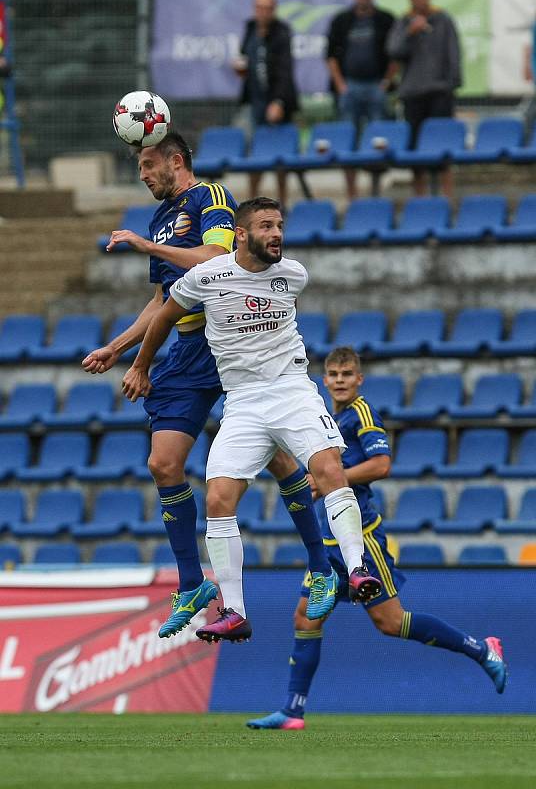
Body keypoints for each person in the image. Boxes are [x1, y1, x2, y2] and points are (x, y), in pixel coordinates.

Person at [82, 135, 334, 638]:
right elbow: (167, 299)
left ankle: (321, 567)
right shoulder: (160, 219)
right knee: (163, 463)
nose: (143, 174)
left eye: (149, 163)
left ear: (176, 161)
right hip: (189, 348)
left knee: (282, 457)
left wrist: (146, 245)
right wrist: (120, 348)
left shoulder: (211, 199)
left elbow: (212, 262)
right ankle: (194, 583)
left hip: (238, 342)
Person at [121, 197, 383, 643]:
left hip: (292, 392)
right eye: (266, 226)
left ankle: (355, 570)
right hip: (242, 402)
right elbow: (165, 316)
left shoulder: (293, 274)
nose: (277, 233)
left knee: (328, 468)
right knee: (219, 498)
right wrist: (141, 364)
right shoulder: (206, 277)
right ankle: (235, 611)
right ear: (241, 234)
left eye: (279, 225)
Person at [246, 347, 508, 730]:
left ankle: (482, 650)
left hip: (361, 538)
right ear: (324, 379)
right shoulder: (326, 417)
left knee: (391, 622)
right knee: (304, 617)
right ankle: (292, 710)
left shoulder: (362, 415)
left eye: (346, 374)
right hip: (328, 541)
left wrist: (327, 479)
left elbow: (382, 464)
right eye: (333, 373)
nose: (338, 380)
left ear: (359, 379)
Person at [387, 0, 461, 197]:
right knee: (416, 150)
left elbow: (453, 51)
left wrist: (452, 84)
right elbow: (393, 51)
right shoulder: (403, 22)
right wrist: (410, 32)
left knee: (443, 146)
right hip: (413, 94)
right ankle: (419, 200)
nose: (422, 1)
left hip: (440, 92)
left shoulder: (443, 19)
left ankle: (447, 198)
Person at [326, 0, 396, 199]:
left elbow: (395, 54)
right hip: (350, 88)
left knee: (378, 142)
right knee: (349, 143)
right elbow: (330, 56)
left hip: (376, 86)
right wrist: (340, 84)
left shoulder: (386, 19)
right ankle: (352, 195)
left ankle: (376, 194)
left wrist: (386, 82)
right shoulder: (341, 20)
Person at [234, 0, 298, 209]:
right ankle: (252, 205)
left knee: (280, 157)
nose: (263, 12)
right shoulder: (250, 29)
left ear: (274, 10)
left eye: (267, 8)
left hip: (276, 103)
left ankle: (282, 203)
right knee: (254, 155)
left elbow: (285, 70)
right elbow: (245, 58)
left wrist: (279, 101)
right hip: (254, 102)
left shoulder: (282, 32)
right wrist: (240, 70)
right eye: (259, 7)